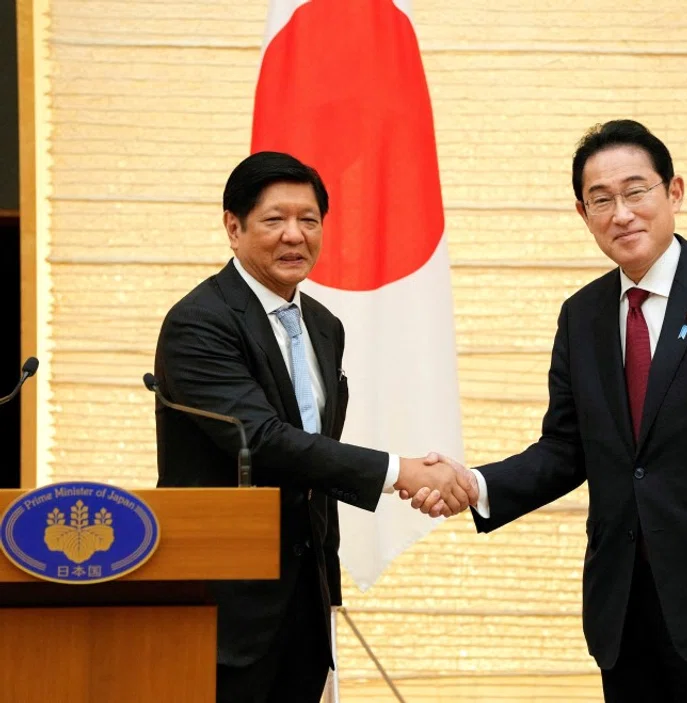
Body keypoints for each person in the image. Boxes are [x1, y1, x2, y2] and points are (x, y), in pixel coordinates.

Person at [410, 120, 687, 702]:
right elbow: (564, 450)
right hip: (623, 605)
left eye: (636, 191)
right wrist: (474, 484)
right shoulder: (581, 316)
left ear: (673, 192)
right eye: (600, 200)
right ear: (583, 215)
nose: (621, 213)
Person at [153, 151, 474, 703]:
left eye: (309, 220)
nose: (294, 235)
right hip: (224, 611)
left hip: (303, 602)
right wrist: (400, 473)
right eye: (274, 220)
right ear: (234, 227)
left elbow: (314, 452)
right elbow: (264, 440)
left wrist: (326, 587)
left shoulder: (323, 326)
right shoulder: (199, 322)